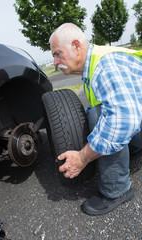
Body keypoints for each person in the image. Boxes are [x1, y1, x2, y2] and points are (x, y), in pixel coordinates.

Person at [49, 23, 142, 216]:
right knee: (96, 111)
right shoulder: (93, 66)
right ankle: (133, 148)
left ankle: (117, 190)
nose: (55, 62)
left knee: (101, 116)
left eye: (57, 54)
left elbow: (123, 120)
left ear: (76, 46)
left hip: (135, 119)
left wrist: (83, 157)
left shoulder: (104, 66)